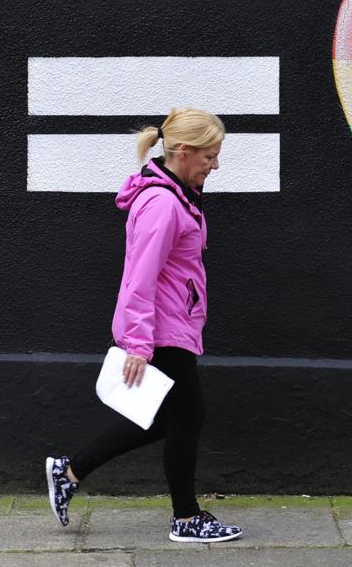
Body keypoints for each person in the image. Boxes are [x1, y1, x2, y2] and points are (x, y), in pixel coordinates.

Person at [45, 108, 243, 543]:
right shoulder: (163, 204)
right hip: (163, 328)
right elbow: (139, 276)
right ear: (185, 152)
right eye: (210, 155)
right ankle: (186, 519)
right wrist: (138, 344)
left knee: (164, 418)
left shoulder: (178, 195)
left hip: (174, 320)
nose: (216, 164)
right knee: (187, 417)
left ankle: (71, 471)